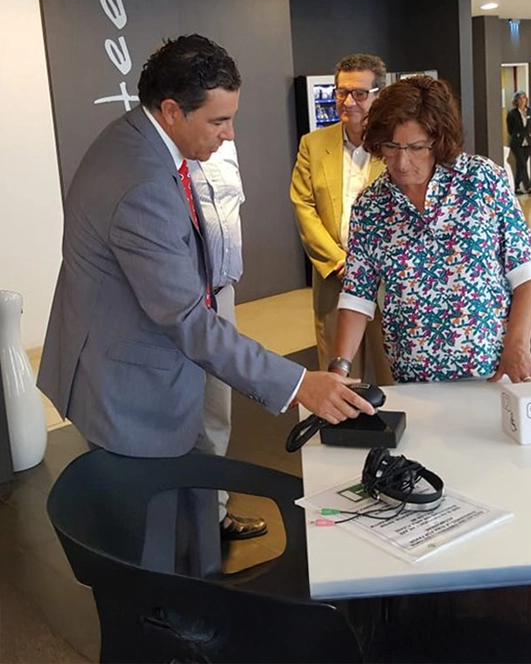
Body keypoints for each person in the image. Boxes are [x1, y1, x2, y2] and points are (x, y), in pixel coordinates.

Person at [38, 35, 374, 572]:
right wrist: (296, 383)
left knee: (186, 501)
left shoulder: (137, 138)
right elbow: (185, 319)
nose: (229, 133)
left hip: (138, 355)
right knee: (146, 537)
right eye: (219, 122)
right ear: (172, 111)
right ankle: (164, 625)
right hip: (125, 385)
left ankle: (198, 587)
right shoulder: (142, 181)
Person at [332, 75, 531, 384]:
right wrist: (338, 369)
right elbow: (357, 296)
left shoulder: (481, 179)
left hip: (492, 370)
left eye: (416, 147)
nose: (402, 162)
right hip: (413, 378)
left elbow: (527, 269)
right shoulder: (371, 206)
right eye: (391, 146)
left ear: (439, 141)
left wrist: (518, 347)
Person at [290, 54, 393, 385]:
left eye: (359, 94)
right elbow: (303, 205)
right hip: (335, 278)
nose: (348, 102)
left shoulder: (397, 146)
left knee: (392, 371)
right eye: (341, 92)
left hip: (387, 281)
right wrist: (338, 261)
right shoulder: (313, 144)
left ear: (379, 94)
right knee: (339, 375)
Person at [189, 143, 266, 541]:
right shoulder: (155, 160)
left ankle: (213, 512)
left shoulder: (227, 149)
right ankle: (174, 520)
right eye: (218, 120)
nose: (229, 131)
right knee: (173, 414)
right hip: (176, 300)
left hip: (220, 294)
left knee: (216, 409)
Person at [506, 90, 531, 195]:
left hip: (528, 141)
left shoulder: (530, 111)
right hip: (517, 142)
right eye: (520, 98)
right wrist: (517, 135)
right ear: (516, 101)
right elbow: (510, 129)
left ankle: (516, 186)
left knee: (521, 164)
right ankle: (528, 186)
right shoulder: (512, 113)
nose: (522, 100)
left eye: (524, 98)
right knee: (522, 163)